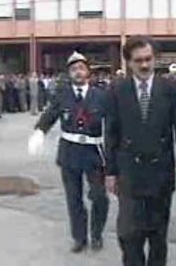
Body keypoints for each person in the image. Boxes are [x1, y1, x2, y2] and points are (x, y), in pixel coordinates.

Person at [105, 35, 176, 266]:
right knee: (129, 235)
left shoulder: (169, 89)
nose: (144, 65)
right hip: (129, 174)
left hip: (160, 173)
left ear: (155, 58)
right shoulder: (118, 90)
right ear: (129, 62)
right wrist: (110, 172)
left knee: (157, 236)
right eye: (138, 60)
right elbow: (111, 133)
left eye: (148, 59)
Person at [28, 51, 110, 253]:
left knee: (99, 197)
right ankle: (79, 237)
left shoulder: (101, 95)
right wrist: (39, 131)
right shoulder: (62, 94)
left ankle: (97, 234)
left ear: (88, 71)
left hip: (94, 153)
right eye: (74, 69)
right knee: (74, 199)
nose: (78, 72)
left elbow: (115, 123)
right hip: (69, 153)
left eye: (81, 68)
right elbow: (50, 114)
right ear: (69, 73)